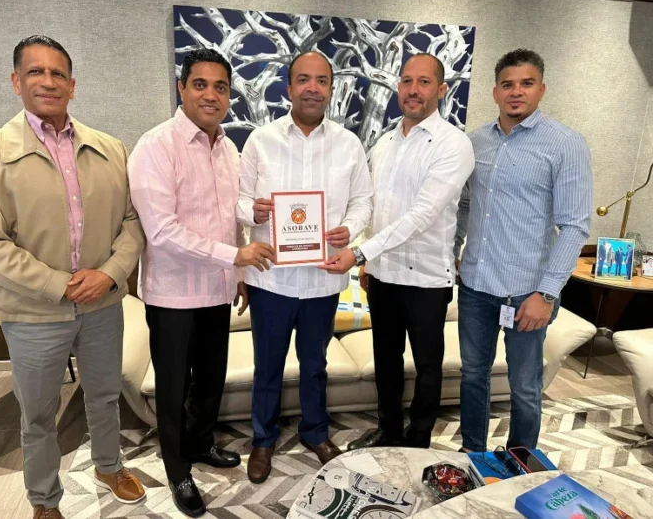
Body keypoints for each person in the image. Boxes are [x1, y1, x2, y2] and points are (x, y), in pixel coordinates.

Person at [0, 36, 146, 519]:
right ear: (16, 81)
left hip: (103, 305)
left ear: (72, 85)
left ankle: (109, 466)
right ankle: (44, 498)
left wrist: (110, 274)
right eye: (35, 72)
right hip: (33, 312)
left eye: (58, 73)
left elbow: (132, 223)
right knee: (38, 414)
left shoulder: (110, 149)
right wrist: (58, 284)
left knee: (104, 395)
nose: (48, 81)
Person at [128, 48, 275, 517]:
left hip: (217, 289)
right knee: (173, 388)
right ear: (182, 88)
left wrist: (240, 271)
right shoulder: (156, 146)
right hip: (172, 294)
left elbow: (231, 220)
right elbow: (162, 231)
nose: (211, 95)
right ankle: (177, 470)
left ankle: (200, 442)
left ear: (229, 95)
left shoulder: (229, 149)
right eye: (200, 84)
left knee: (210, 379)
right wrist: (235, 257)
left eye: (220, 87)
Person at [320, 54, 474, 450]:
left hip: (427, 279)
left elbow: (422, 215)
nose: (413, 90)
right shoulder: (385, 143)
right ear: (398, 87)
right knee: (386, 361)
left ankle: (418, 440)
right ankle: (388, 431)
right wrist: (367, 257)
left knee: (427, 367)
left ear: (441, 89)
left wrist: (358, 254)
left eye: (424, 82)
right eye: (407, 81)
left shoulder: (454, 144)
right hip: (383, 275)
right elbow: (374, 206)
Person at [236, 51, 373, 484]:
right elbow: (238, 199)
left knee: (315, 364)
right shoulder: (260, 140)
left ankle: (315, 432)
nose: (313, 88)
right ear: (289, 87)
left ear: (331, 88)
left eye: (321, 80)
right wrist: (253, 211)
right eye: (303, 79)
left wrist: (350, 228)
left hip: (322, 279)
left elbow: (363, 201)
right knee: (268, 366)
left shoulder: (349, 144)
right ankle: (263, 440)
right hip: (271, 279)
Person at [454, 49, 592, 454]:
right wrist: (452, 253)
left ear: (541, 89)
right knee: (473, 376)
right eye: (508, 84)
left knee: (525, 386)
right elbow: (464, 204)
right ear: (495, 92)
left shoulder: (566, 144)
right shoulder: (475, 142)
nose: (516, 92)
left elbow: (575, 226)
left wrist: (546, 293)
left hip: (528, 292)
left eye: (526, 84)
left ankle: (520, 461)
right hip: (476, 285)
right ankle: (473, 453)